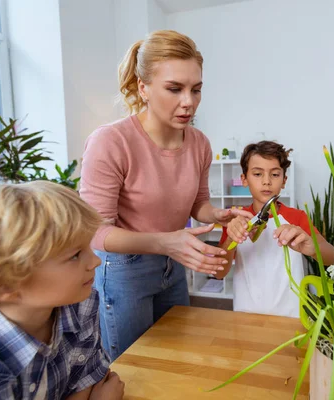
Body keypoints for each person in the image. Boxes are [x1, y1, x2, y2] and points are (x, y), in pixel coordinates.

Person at [79, 30, 249, 360]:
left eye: (196, 89)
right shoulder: (111, 142)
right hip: (124, 270)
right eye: (174, 89)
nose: (189, 101)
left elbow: (197, 201)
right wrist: (165, 241)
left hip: (172, 265)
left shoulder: (199, 142)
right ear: (143, 88)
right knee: (134, 368)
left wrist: (216, 215)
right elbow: (95, 231)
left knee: (174, 358)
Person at [0, 180, 124, 399]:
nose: (95, 261)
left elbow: (84, 381)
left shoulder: (82, 304)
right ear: (4, 285)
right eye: (75, 255)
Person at [217, 141, 334, 318]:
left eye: (274, 174)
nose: (266, 181)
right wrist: (231, 238)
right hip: (245, 313)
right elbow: (220, 273)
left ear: (284, 181)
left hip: (291, 315)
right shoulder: (236, 218)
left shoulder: (297, 218)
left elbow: (332, 257)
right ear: (244, 179)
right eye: (257, 174)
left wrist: (311, 247)